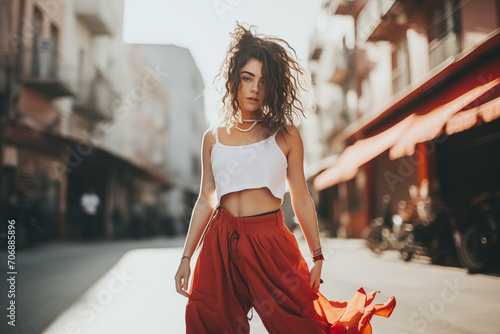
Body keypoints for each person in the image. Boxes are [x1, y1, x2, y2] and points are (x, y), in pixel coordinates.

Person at [174, 22, 396, 333]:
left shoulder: (286, 134)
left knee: (300, 324)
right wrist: (186, 257)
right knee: (205, 319)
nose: (255, 89)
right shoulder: (213, 138)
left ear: (273, 86)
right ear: (233, 81)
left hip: (270, 241)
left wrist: (317, 255)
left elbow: (301, 197)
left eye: (263, 82)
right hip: (220, 239)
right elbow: (205, 199)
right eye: (247, 78)